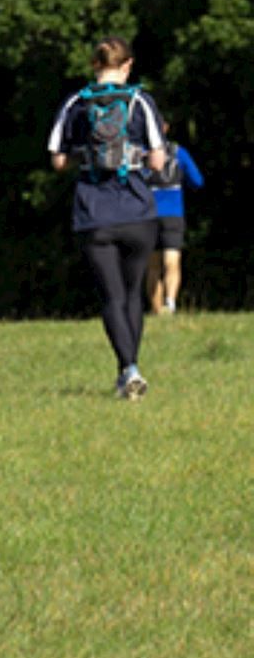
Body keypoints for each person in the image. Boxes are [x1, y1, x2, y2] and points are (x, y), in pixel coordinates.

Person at [48, 35, 166, 399]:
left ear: (94, 65)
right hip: (137, 210)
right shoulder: (140, 102)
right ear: (127, 66)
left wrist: (85, 157)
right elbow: (159, 161)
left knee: (111, 297)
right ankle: (128, 369)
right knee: (132, 295)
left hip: (93, 212)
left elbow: (57, 159)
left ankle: (128, 369)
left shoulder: (76, 104)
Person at [146, 120, 204, 315]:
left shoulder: (140, 153)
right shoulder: (179, 152)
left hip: (147, 214)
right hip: (173, 212)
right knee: (172, 261)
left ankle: (156, 310)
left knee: (152, 266)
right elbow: (197, 180)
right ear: (166, 128)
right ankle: (170, 304)